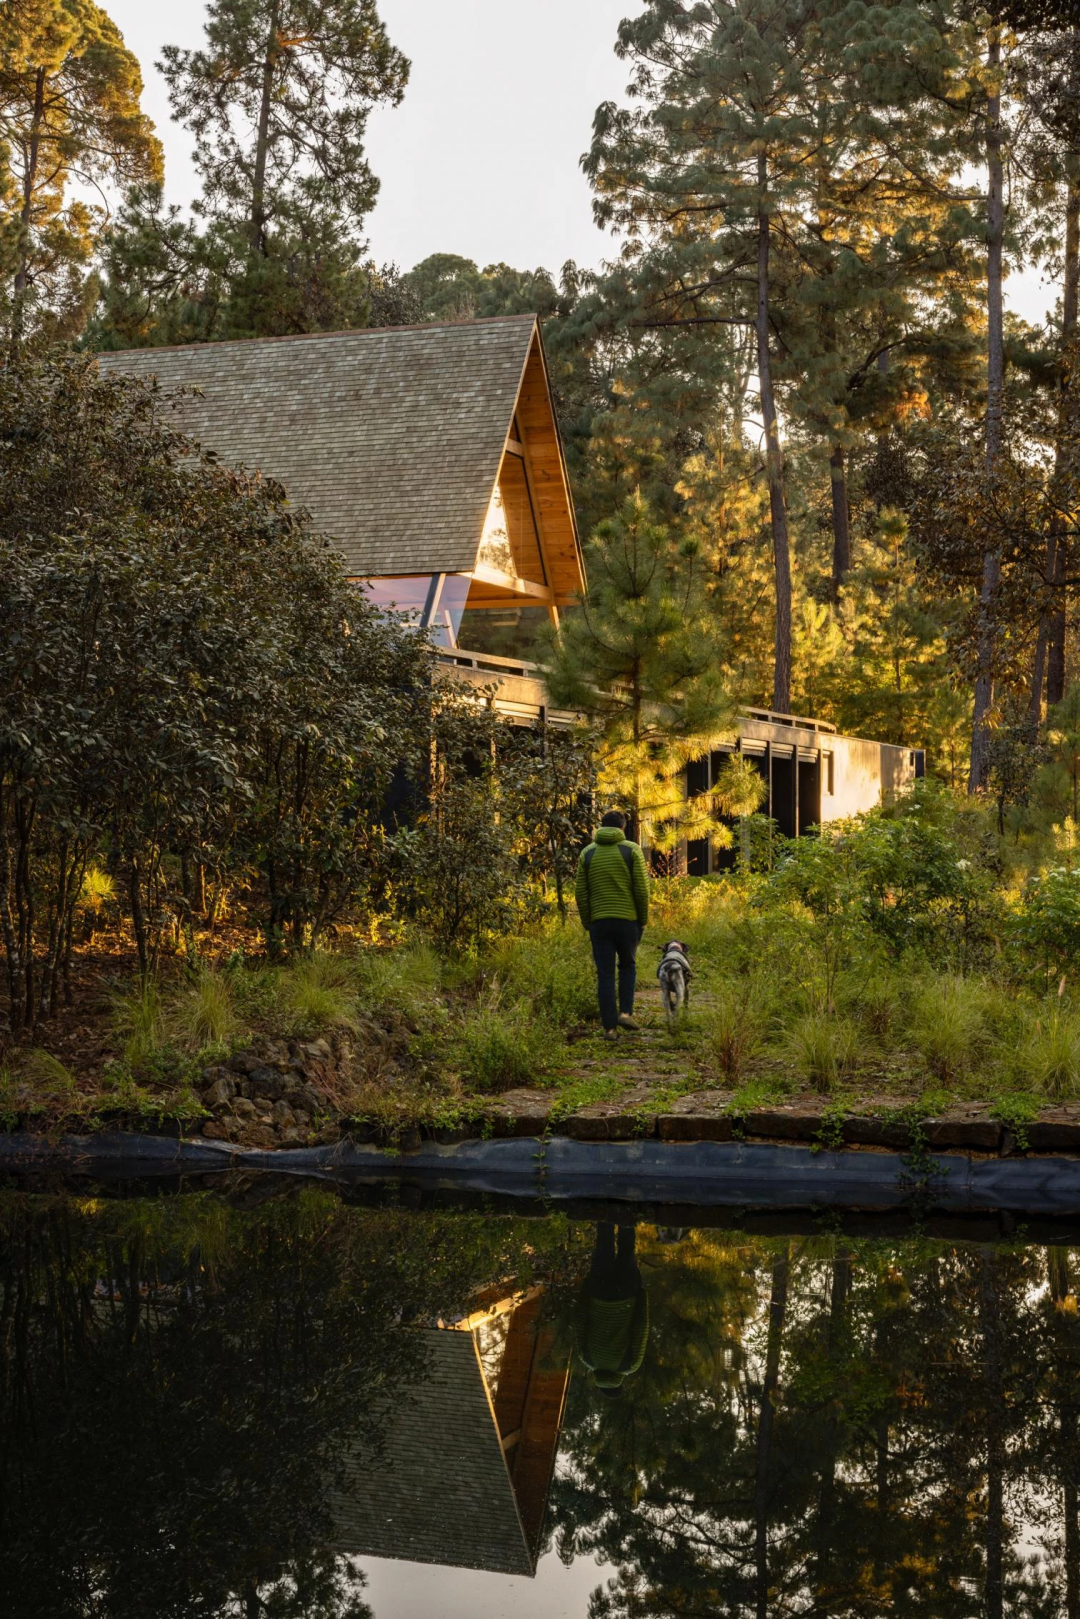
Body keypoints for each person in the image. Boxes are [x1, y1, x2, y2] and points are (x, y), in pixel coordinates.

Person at [574, 809, 650, 1039]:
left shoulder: (587, 853)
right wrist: (642, 920)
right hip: (628, 921)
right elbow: (641, 889)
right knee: (627, 965)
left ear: (601, 825)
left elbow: (581, 892)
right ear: (622, 828)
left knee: (605, 974)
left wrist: (588, 921)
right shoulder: (631, 850)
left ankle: (609, 1028)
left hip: (600, 923)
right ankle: (625, 1013)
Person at [576, 1222, 650, 1395]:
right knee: (603, 1244)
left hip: (626, 1293)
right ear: (599, 1382)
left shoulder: (630, 1365)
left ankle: (628, 1211)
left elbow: (641, 1328)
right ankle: (604, 1205)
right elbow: (580, 1319)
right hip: (598, 1291)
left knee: (627, 1248)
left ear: (619, 1384)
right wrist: (586, 1288)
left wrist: (642, 1297)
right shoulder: (586, 1359)